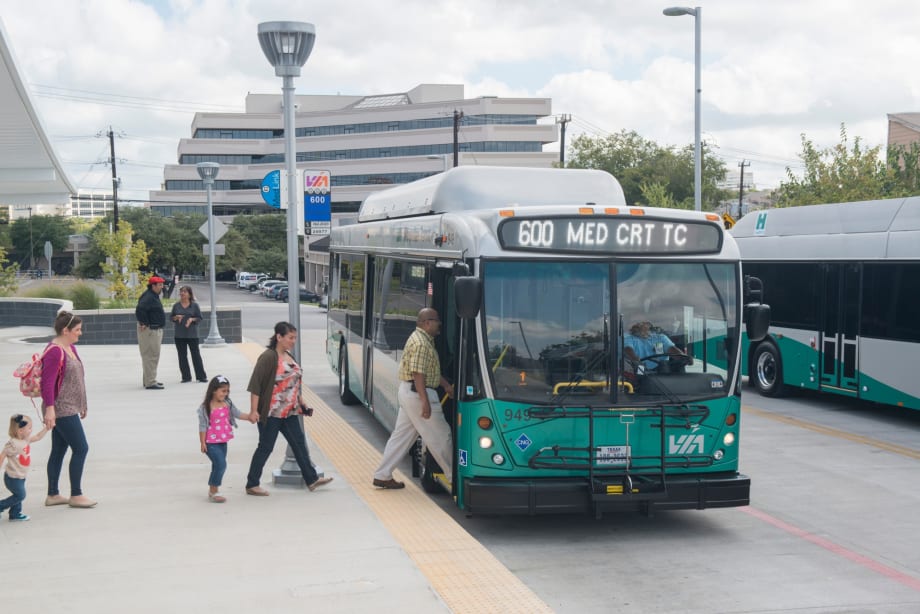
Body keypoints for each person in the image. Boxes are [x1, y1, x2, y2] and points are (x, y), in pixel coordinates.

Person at [244, 322, 333, 496]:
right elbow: (255, 386)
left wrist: (300, 400)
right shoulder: (268, 357)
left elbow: (292, 382)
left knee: (299, 444)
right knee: (266, 447)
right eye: (290, 337)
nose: (293, 341)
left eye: (295, 338)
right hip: (271, 412)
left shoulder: (288, 355)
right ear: (279, 337)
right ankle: (252, 484)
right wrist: (253, 411)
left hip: (289, 411)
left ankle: (311, 479)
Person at [373, 307, 454, 490]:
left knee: (401, 437)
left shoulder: (422, 339)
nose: (439, 323)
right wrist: (425, 401)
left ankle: (382, 475)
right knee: (441, 437)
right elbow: (418, 374)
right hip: (418, 394)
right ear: (427, 323)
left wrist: (446, 385)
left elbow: (427, 371)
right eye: (436, 320)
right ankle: (455, 478)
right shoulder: (421, 344)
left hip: (410, 392)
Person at [41, 311, 96, 509]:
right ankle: (76, 494)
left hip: (72, 405)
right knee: (81, 448)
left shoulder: (70, 347)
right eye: (77, 330)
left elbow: (78, 378)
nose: (80, 333)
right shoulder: (55, 350)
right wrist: (49, 410)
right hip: (61, 408)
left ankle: (53, 494)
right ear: (65, 330)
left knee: (58, 450)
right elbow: (46, 384)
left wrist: (83, 403)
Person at [197, 375, 256, 503]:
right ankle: (214, 491)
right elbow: (202, 426)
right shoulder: (205, 407)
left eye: (227, 391)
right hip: (210, 443)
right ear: (214, 390)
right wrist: (202, 442)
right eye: (223, 391)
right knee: (221, 464)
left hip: (222, 441)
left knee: (217, 465)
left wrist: (250, 417)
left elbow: (237, 413)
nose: (226, 393)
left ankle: (213, 489)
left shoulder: (227, 403)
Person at [1, 414, 50, 521]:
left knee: (18, 495)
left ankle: (15, 513)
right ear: (20, 431)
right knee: (20, 495)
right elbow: (3, 454)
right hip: (12, 477)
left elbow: (37, 437)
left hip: (21, 476)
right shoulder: (13, 444)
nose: (31, 430)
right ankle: (1, 506)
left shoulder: (25, 440)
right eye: (29, 428)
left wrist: (46, 428)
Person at [623, 320, 692, 372]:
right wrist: (635, 360)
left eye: (645, 324)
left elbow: (671, 349)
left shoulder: (660, 338)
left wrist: (682, 357)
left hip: (661, 372)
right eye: (639, 325)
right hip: (640, 371)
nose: (642, 326)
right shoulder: (628, 337)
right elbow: (628, 349)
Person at [171, 285, 207, 383]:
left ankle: (201, 376)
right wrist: (176, 317)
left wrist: (192, 319)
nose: (182, 293)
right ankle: (186, 377)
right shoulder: (176, 305)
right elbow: (171, 318)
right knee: (182, 356)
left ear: (189, 294)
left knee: (196, 355)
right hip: (179, 335)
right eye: (181, 291)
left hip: (192, 335)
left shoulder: (194, 305)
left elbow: (200, 318)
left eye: (185, 292)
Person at [136, 275, 167, 389]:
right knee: (151, 355)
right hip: (150, 331)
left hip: (154, 329)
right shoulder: (148, 297)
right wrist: (144, 323)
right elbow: (140, 310)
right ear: (153, 286)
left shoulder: (152, 296)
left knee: (151, 355)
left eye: (162, 284)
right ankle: (150, 382)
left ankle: (149, 380)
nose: (162, 287)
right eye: (159, 285)